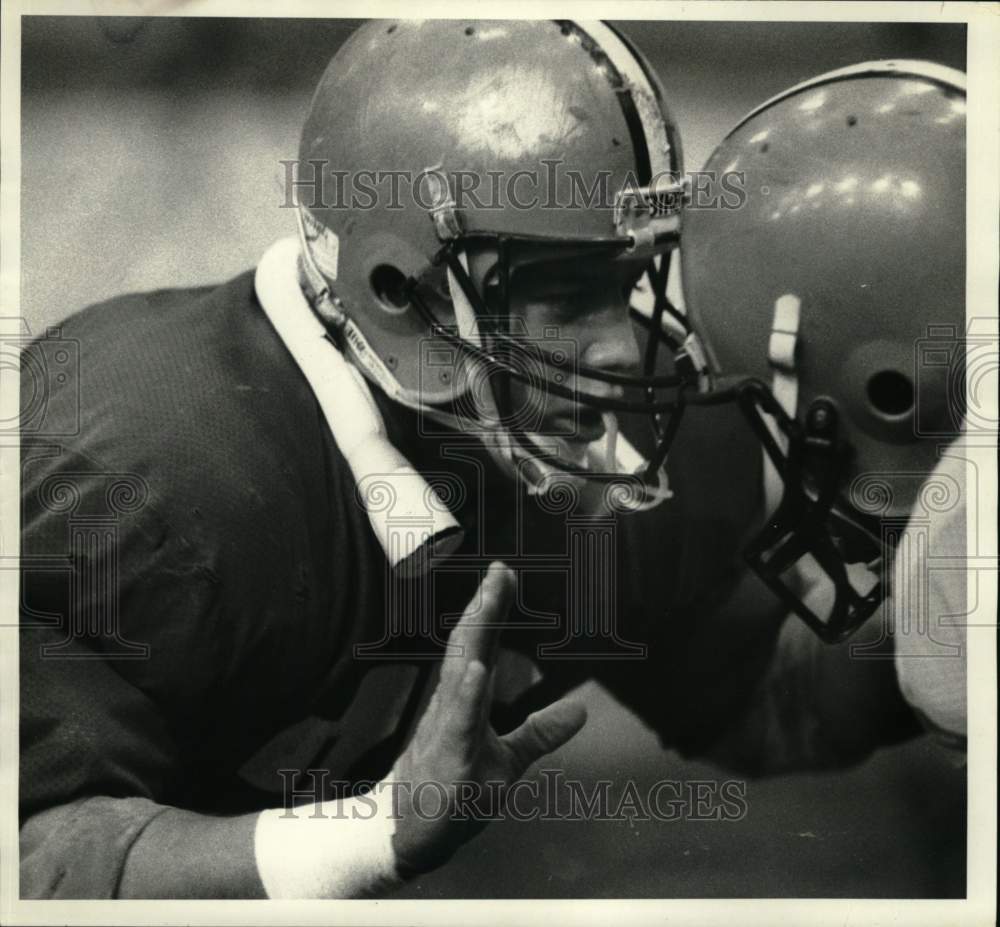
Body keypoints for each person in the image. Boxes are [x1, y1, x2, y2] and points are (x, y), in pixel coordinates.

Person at [18, 21, 962, 899]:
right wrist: (375, 830)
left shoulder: (601, 430)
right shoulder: (138, 477)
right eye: (562, 295)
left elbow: (771, 698)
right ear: (396, 288)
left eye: (627, 287)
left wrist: (943, 619)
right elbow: (32, 853)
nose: (622, 353)